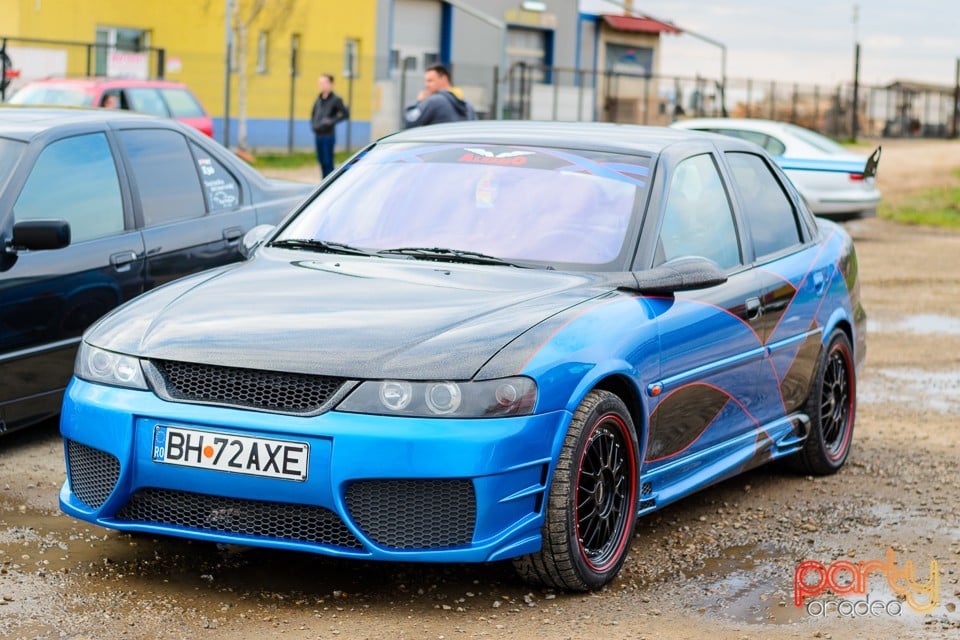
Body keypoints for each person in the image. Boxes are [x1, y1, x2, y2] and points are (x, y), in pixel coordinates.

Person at [404, 63, 477, 128]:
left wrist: (418, 101)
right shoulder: (467, 104)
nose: (426, 85)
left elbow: (409, 121)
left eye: (430, 81)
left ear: (443, 78)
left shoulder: (435, 101)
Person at [310, 74, 349, 179]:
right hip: (318, 134)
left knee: (328, 162)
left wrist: (331, 121)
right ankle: (324, 184)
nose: (321, 85)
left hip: (328, 135)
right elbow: (313, 114)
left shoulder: (336, 99)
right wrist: (313, 125)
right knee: (321, 161)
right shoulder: (318, 99)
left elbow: (345, 114)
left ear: (330, 84)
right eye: (320, 83)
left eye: (323, 82)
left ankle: (330, 184)